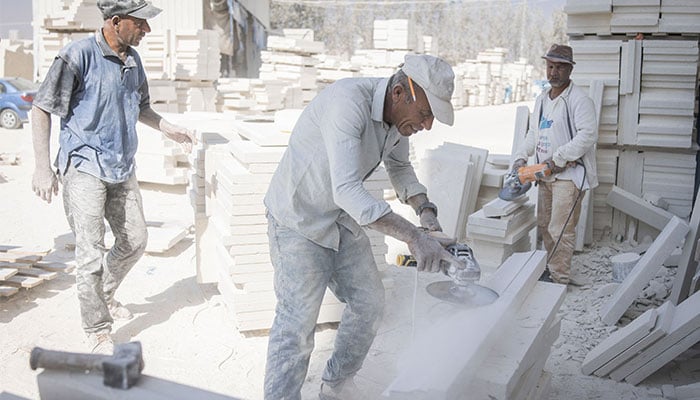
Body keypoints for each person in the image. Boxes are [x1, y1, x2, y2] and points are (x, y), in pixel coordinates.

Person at [263, 54, 461, 400]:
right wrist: (414, 238)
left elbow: (399, 167)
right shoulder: (347, 103)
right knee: (296, 326)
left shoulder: (398, 120)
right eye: (426, 114)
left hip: (338, 219)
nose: (427, 125)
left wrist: (424, 211)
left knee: (369, 302)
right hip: (299, 219)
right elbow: (347, 190)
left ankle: (337, 384)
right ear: (400, 92)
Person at [30, 0, 196, 354]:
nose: (147, 31)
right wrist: (42, 167)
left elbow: (142, 107)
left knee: (135, 239)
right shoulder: (77, 56)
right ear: (116, 22)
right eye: (141, 24)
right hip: (84, 166)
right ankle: (98, 330)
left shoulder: (133, 62)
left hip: (122, 166)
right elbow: (41, 107)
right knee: (91, 252)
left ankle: (101, 295)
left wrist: (168, 128)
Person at [511, 44, 598, 285]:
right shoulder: (541, 100)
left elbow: (588, 135)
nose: (553, 72)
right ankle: (552, 267)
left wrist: (558, 159)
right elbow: (533, 135)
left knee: (561, 229)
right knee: (545, 226)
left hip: (569, 177)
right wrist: (521, 157)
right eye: (550, 66)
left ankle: (559, 279)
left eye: (559, 67)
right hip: (544, 175)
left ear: (570, 69)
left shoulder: (580, 100)